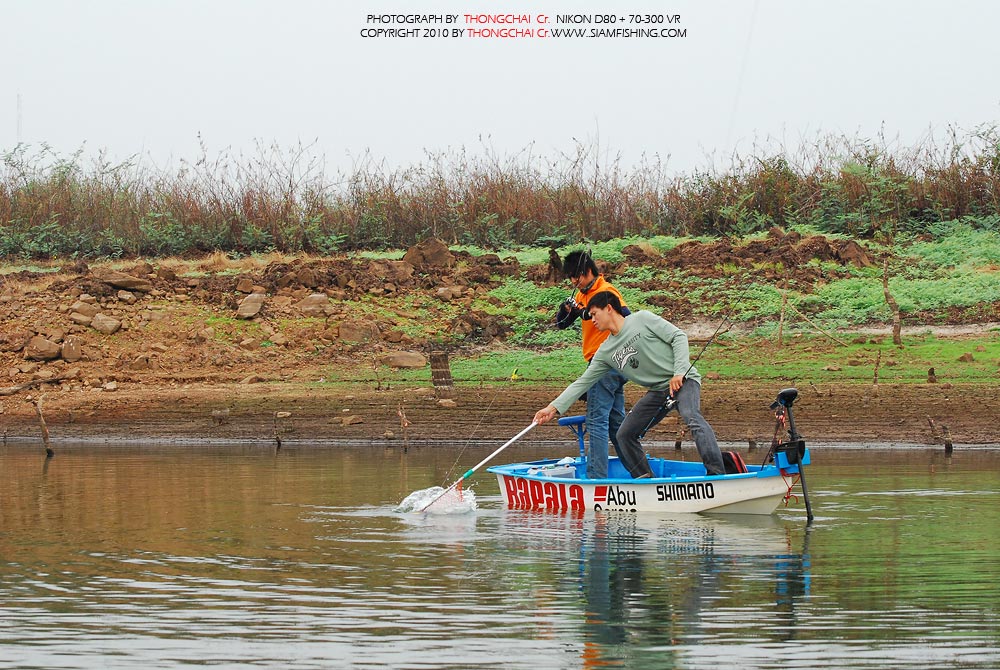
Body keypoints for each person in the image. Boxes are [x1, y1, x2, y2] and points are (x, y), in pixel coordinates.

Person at [535, 291, 726, 478]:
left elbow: (678, 337)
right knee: (624, 434)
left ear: (609, 308)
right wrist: (552, 408)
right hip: (658, 391)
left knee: (692, 417)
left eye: (594, 314)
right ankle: (645, 480)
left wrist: (679, 372)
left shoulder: (642, 319)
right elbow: (582, 382)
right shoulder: (605, 351)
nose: (591, 320)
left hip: (684, 380)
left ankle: (717, 473)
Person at [554, 251, 630, 479]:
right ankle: (638, 470)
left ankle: (596, 477)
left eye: (575, 277)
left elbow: (626, 317)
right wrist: (566, 310)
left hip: (606, 362)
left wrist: (584, 313)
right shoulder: (582, 294)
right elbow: (561, 325)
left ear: (587, 272)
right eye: (570, 278)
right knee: (618, 424)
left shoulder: (606, 292)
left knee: (596, 421)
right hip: (606, 364)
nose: (573, 282)